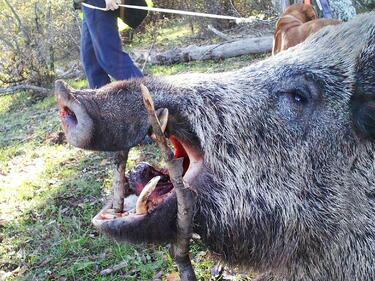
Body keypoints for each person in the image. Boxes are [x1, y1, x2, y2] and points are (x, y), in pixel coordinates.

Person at [80, 0, 143, 89]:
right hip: (87, 4)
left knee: (111, 58)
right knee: (91, 60)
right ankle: (101, 100)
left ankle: (150, 95)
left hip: (98, 3)